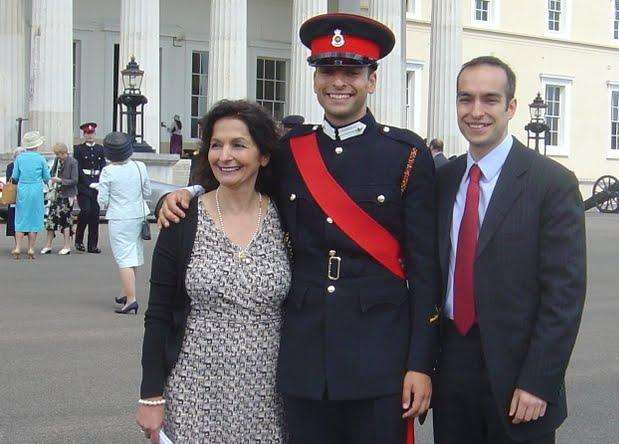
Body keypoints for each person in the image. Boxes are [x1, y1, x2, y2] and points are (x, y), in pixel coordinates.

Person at [157, 13, 440, 444]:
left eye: (352, 71)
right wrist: (183, 194)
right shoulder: (291, 151)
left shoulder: (406, 153)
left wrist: (421, 363)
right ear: (315, 79)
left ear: (373, 80)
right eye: (328, 70)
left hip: (380, 356)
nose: (338, 82)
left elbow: (425, 269)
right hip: (304, 357)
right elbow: (235, 176)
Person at [432, 56, 586, 444]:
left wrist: (539, 381)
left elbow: (564, 295)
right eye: (465, 99)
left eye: (490, 99)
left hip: (520, 375)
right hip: (451, 366)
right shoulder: (444, 179)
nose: (476, 112)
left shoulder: (551, 183)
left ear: (511, 107)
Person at [136, 100, 289, 442]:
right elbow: (158, 314)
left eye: (238, 145)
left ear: (263, 155)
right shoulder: (182, 219)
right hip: (192, 391)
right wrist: (151, 394)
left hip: (268, 396)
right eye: (216, 145)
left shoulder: (287, 218)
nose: (224, 156)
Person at [95, 132, 151, 315]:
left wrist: (99, 190)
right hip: (138, 215)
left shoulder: (108, 171)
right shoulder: (139, 166)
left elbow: (102, 201)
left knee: (124, 259)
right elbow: (147, 191)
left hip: (120, 217)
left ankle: (131, 299)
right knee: (133, 255)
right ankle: (126, 293)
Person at [10, 131, 52, 260]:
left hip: (23, 188)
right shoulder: (40, 158)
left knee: (21, 218)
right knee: (34, 218)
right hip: (36, 189)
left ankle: (17, 246)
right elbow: (46, 176)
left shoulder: (19, 158)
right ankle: (31, 248)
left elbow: (15, 176)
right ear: (37, 145)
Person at [73, 122, 106, 253]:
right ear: (84, 135)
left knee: (95, 214)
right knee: (85, 211)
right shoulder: (79, 149)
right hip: (84, 185)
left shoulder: (100, 149)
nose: (90, 136)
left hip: (97, 183)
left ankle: (92, 245)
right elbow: (78, 168)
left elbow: (103, 164)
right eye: (87, 133)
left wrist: (101, 181)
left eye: (92, 133)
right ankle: (79, 240)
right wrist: (87, 183)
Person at [41, 143, 78, 255]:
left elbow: (75, 180)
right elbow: (52, 172)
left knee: (65, 221)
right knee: (51, 220)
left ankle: (67, 246)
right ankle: (48, 245)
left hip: (67, 195)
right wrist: (50, 177)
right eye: (57, 154)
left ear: (64, 152)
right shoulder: (57, 160)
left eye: (60, 154)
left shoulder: (72, 162)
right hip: (56, 194)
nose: (58, 156)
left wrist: (61, 181)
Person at [5, 147, 25, 252]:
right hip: (14, 195)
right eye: (18, 155)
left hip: (25, 195)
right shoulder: (10, 166)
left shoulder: (26, 166)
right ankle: (17, 244)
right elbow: (10, 179)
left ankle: (25, 244)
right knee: (13, 219)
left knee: (25, 219)